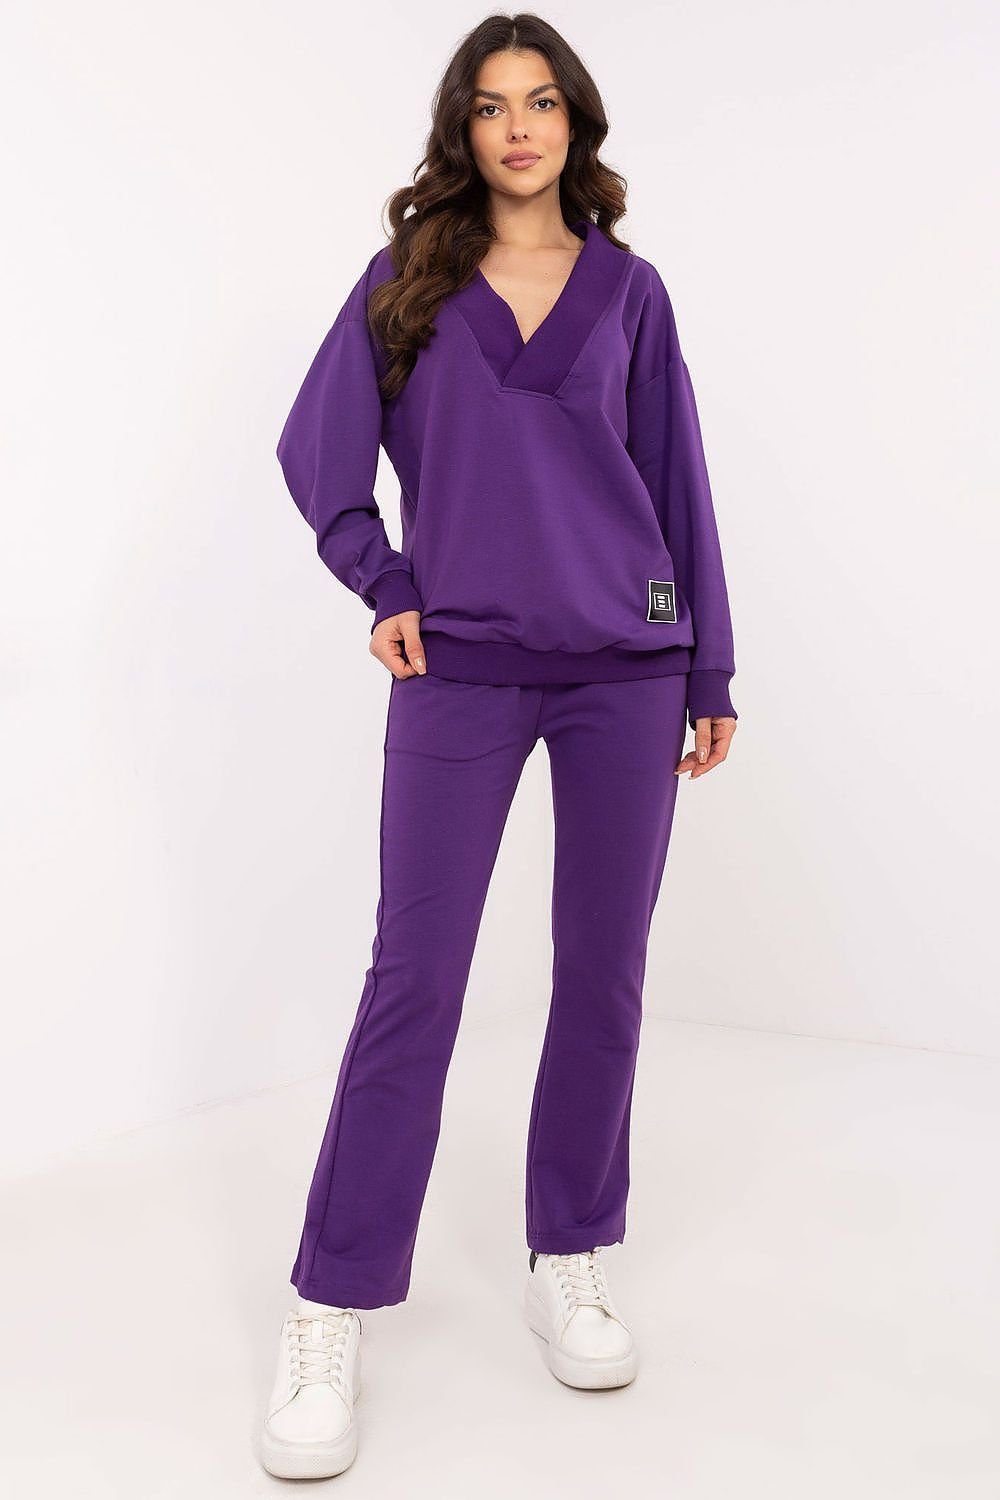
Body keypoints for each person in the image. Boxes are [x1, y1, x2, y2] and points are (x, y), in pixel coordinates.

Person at [260, 12, 739, 1480]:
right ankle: (333, 1302)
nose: (518, 127)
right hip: (459, 668)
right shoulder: (408, 280)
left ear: (573, 121)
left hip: (625, 673)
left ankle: (569, 1253)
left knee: (603, 973)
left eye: (540, 102)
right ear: (460, 131)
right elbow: (318, 456)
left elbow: (677, 483)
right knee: (416, 978)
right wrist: (385, 583)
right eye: (489, 105)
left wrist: (708, 664)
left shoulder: (631, 293)